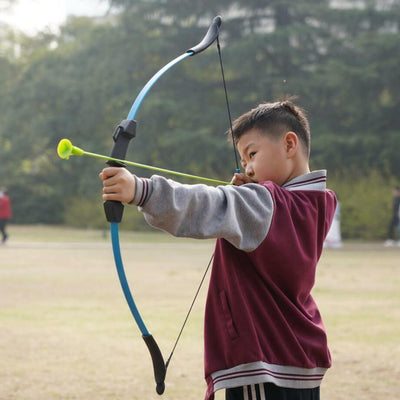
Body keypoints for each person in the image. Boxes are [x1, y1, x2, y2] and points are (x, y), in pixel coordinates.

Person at [99, 100, 337, 400]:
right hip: (296, 361)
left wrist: (141, 190)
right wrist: (247, 195)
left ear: (289, 144)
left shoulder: (268, 204)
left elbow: (210, 203)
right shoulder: (317, 203)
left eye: (252, 154)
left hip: (264, 364)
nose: (247, 167)